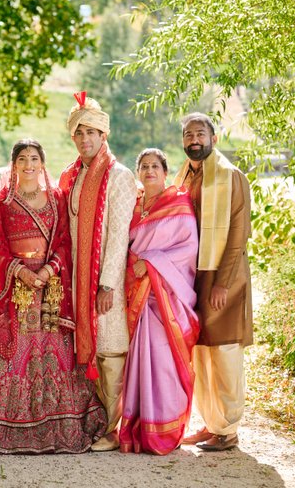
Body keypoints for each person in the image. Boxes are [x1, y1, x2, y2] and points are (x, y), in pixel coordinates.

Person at [0, 139, 107, 454]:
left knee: (54, 354)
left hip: (49, 292)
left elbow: (65, 242)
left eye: (34, 159)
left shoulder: (56, 198)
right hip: (16, 292)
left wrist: (48, 271)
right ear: (14, 165)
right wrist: (23, 273)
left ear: (42, 163)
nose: (28, 165)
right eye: (22, 159)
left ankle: (56, 423)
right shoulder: (1, 201)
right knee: (5, 353)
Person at [59, 92, 138, 452]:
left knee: (111, 351)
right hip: (78, 279)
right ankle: (95, 419)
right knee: (88, 350)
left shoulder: (118, 175)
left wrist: (107, 283)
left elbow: (119, 233)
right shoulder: (73, 177)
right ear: (73, 138)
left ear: (104, 136)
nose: (85, 139)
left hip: (108, 280)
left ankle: (113, 427)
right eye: (79, 133)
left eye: (92, 132)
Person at [175, 113, 253, 451]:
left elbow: (238, 235)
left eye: (201, 133)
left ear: (214, 137)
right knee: (202, 353)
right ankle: (212, 424)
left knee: (224, 352)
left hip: (225, 277)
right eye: (189, 134)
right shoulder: (185, 177)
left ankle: (229, 427)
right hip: (195, 278)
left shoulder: (231, 177)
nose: (195, 139)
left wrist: (222, 282)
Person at [120, 148, 199, 455]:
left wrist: (150, 263)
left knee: (162, 357)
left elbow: (187, 249)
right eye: (144, 166)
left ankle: (164, 428)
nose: (149, 170)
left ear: (165, 172)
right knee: (137, 358)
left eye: (155, 166)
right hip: (135, 294)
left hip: (164, 297)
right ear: (138, 173)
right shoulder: (134, 205)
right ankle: (138, 426)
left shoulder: (177, 203)